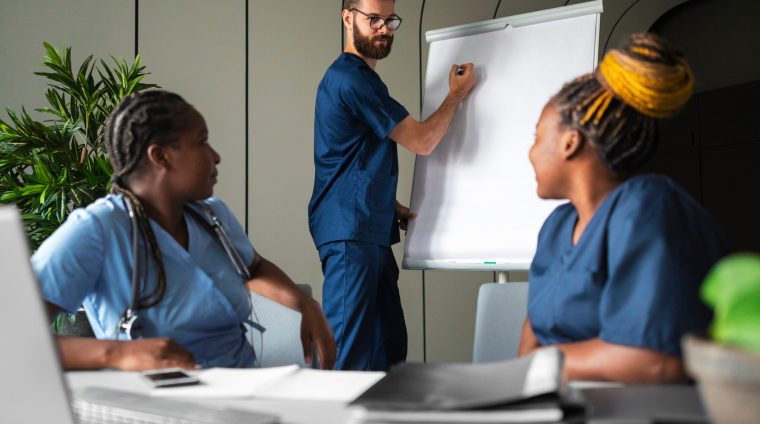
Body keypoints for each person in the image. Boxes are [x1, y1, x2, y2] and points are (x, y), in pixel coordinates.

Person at [33, 90, 336, 371]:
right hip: (157, 403)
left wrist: (305, 305)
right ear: (160, 156)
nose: (216, 156)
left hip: (243, 388)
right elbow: (15, 335)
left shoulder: (211, 215)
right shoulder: (97, 230)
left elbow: (253, 268)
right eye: (202, 141)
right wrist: (116, 353)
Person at [518, 33, 730, 383]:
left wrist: (542, 362)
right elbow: (527, 348)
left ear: (570, 142)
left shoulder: (648, 206)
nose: (531, 152)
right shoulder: (557, 227)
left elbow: (655, 362)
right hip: (558, 405)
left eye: (537, 136)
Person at [309, 0, 477, 371]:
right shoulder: (350, 79)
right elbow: (422, 141)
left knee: (387, 351)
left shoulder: (362, 79)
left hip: (367, 228)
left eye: (390, 20)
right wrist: (456, 95)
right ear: (347, 17)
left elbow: (351, 156)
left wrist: (389, 203)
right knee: (347, 356)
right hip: (351, 234)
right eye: (374, 20)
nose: (384, 29)